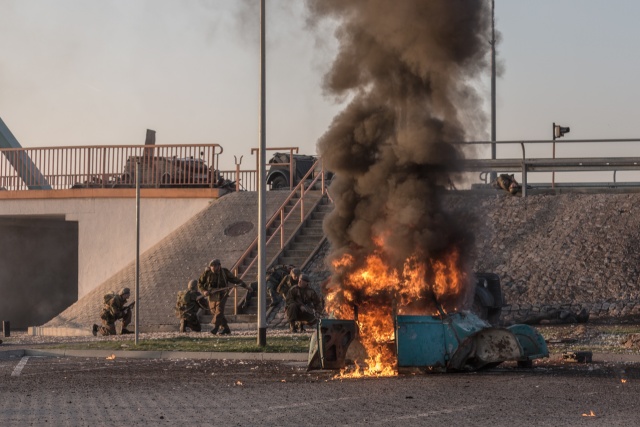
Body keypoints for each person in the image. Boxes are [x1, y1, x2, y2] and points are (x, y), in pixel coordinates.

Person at [198, 258, 251, 335]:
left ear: (219, 266)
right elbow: (200, 283)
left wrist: (246, 286)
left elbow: (235, 280)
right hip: (212, 294)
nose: (213, 267)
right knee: (214, 311)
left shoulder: (225, 272)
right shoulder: (207, 273)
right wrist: (204, 291)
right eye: (212, 266)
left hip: (222, 294)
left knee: (219, 310)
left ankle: (215, 327)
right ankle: (226, 328)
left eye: (214, 266)